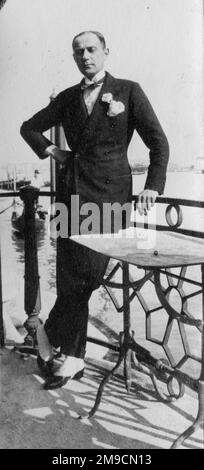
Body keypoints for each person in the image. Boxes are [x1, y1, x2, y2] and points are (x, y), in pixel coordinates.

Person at [20, 30, 169, 389]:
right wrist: (53, 151)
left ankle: (49, 339)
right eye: (78, 52)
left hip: (110, 199)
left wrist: (152, 186)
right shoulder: (69, 97)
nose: (85, 56)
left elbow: (158, 145)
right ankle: (72, 358)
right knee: (72, 277)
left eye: (91, 49)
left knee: (87, 278)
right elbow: (28, 128)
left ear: (105, 52)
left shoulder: (128, 91)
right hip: (70, 196)